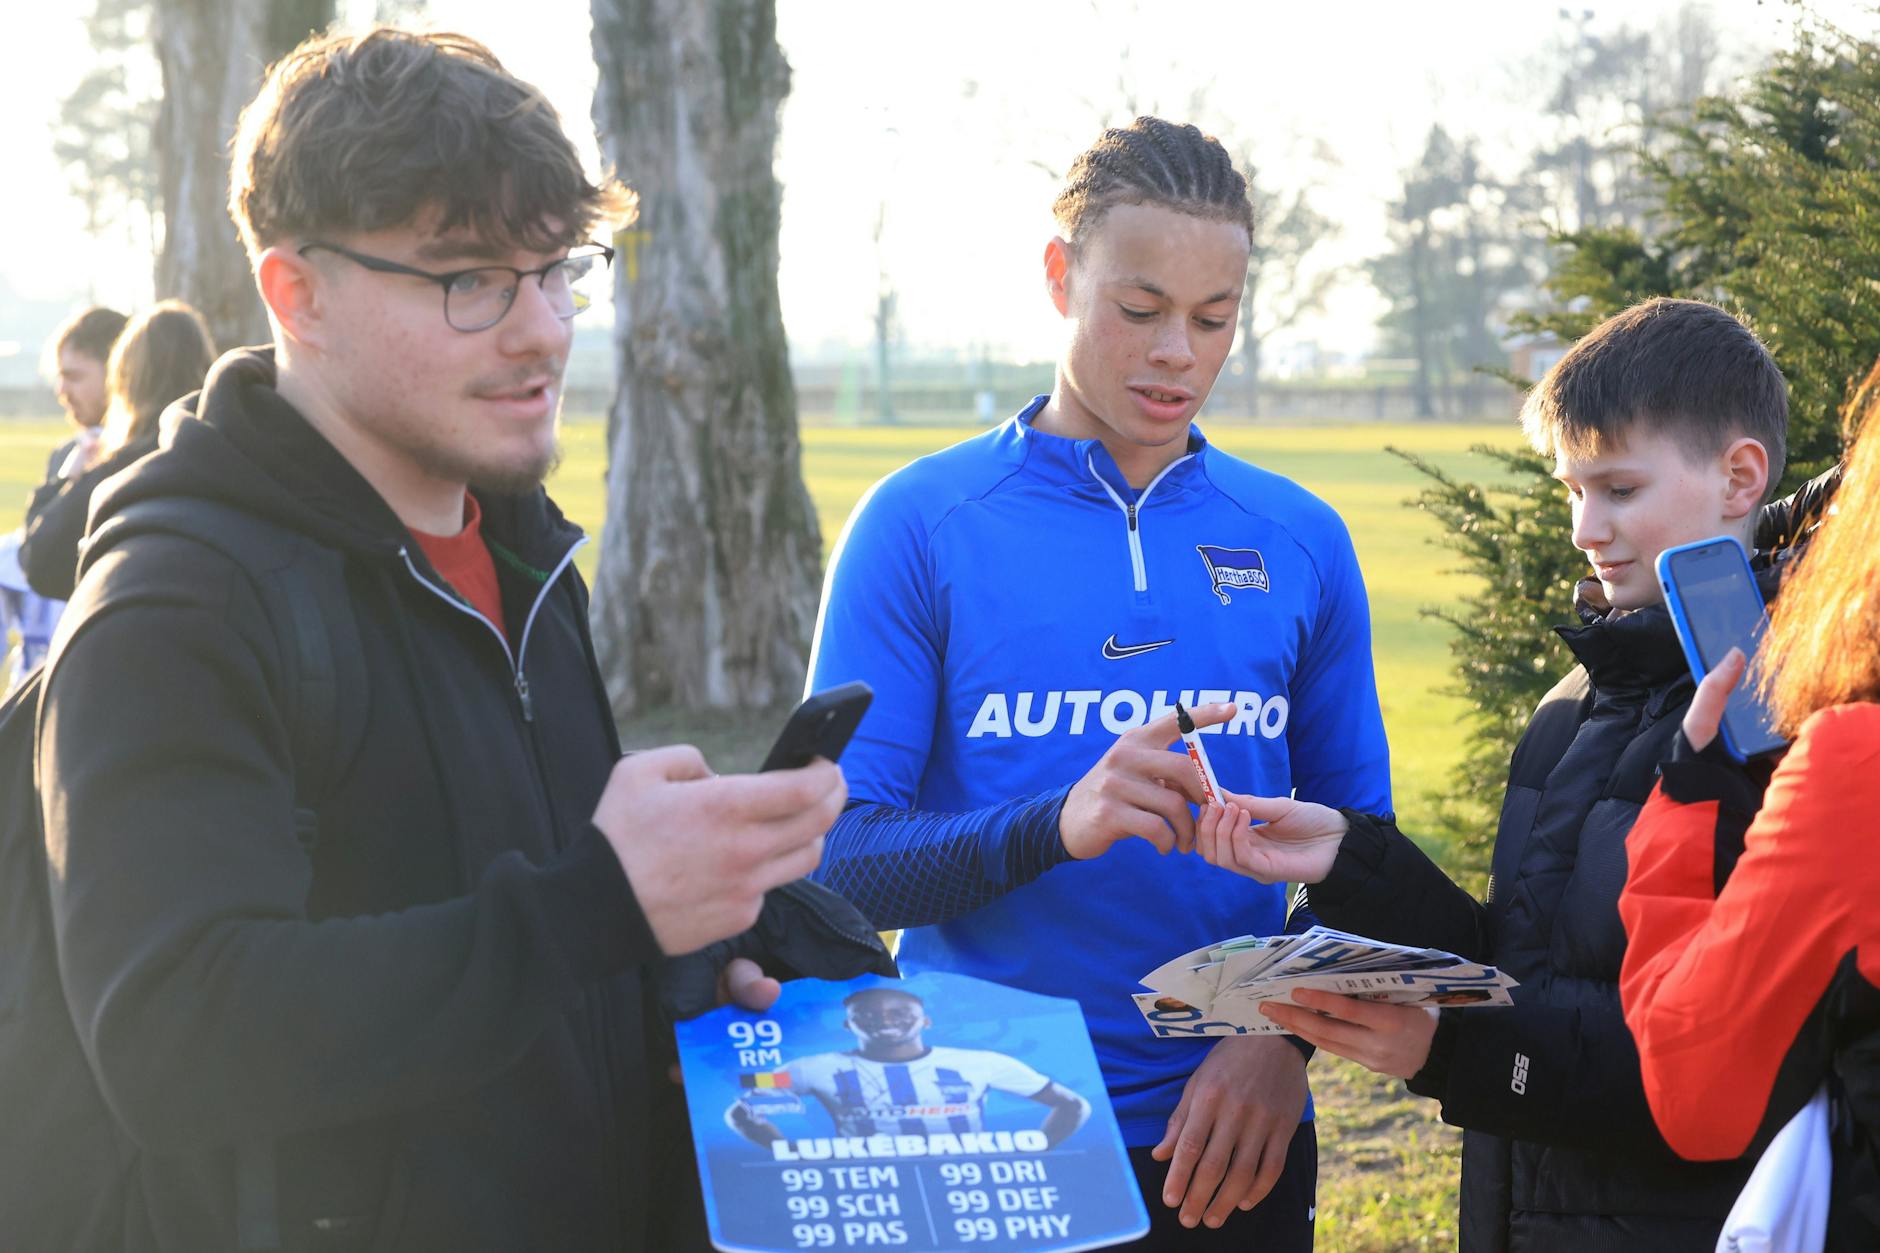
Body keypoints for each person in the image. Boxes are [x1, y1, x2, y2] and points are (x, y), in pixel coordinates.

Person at [31, 27, 862, 1251]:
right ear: (295, 292)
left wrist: (678, 960)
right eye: (468, 277)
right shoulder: (179, 601)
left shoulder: (521, 557)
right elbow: (174, 1040)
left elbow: (511, 931)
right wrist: (600, 905)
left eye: (556, 268)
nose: (540, 330)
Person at [807, 116, 1392, 1247]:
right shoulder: (918, 525)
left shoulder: (1300, 538)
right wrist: (1052, 826)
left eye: (1212, 318)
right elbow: (834, 864)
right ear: (1058, 275)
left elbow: (1360, 848)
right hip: (979, 1122)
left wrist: (1281, 1034)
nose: (1176, 349)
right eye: (1138, 310)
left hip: (1229, 1132)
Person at [1194, 297, 1794, 1248]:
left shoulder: (1788, 720)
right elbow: (1523, 972)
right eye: (1570, 490)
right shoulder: (1571, 707)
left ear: (1739, 477)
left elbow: (1729, 1066)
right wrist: (1353, 863)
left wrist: (1456, 1049)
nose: (1584, 528)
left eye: (1620, 489)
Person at [1618, 357, 1880, 1248]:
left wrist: (1686, 801)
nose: (1588, 529)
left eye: (1617, 488)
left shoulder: (1855, 761)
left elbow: (1698, 1095)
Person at [20, 300, 217, 600]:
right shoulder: (232, 451)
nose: (61, 390)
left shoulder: (119, 470)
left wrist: (66, 484)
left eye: (74, 376)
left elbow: (39, 561)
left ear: (121, 373)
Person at [727, 985, 1090, 1147]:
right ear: (848, 1024)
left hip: (971, 1182)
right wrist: (788, 1155)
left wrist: (1039, 1149)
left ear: (925, 1020)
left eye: (900, 1012)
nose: (884, 1020)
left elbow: (1072, 1104)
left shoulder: (981, 1062)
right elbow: (742, 1110)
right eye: (866, 1014)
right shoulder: (812, 1066)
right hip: (870, 1190)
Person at [39, 305, 127, 479]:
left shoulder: (148, 456)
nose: (61, 390)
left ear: (117, 375)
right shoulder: (64, 456)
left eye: (74, 377)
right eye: (61, 377)